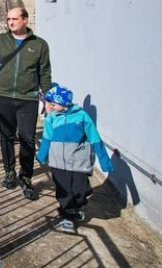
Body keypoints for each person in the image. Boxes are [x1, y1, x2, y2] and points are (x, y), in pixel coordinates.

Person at [0, 7, 51, 200]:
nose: (10, 22)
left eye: (15, 19)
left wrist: (49, 99)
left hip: (28, 98)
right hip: (3, 95)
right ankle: (9, 172)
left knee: (28, 138)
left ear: (25, 20)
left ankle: (26, 177)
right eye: (8, 19)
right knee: (6, 136)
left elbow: (45, 74)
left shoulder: (40, 45)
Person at [36, 82, 114, 233]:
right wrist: (41, 157)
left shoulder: (82, 116)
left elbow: (95, 138)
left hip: (78, 162)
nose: (50, 107)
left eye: (53, 104)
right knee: (64, 192)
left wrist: (105, 162)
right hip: (58, 162)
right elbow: (46, 139)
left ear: (63, 103)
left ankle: (76, 207)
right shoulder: (52, 118)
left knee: (81, 190)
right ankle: (67, 217)